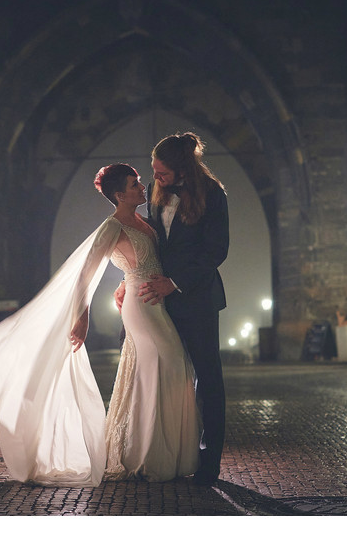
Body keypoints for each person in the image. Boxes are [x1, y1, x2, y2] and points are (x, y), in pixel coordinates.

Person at [0, 163, 199, 487]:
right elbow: (85, 274)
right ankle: (150, 456)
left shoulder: (145, 220)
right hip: (141, 308)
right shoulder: (112, 227)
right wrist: (81, 317)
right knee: (170, 362)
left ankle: (148, 452)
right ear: (118, 195)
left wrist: (127, 279)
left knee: (159, 369)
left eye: (139, 181)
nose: (142, 186)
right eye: (133, 184)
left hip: (152, 298)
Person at [115, 132, 229, 485]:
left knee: (207, 378)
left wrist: (175, 282)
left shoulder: (213, 193)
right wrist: (127, 279)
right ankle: (169, 453)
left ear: (182, 168)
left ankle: (209, 463)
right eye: (153, 170)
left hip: (197, 298)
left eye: (161, 172)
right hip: (157, 301)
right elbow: (150, 244)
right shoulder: (155, 190)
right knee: (168, 376)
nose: (154, 177)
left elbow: (216, 251)